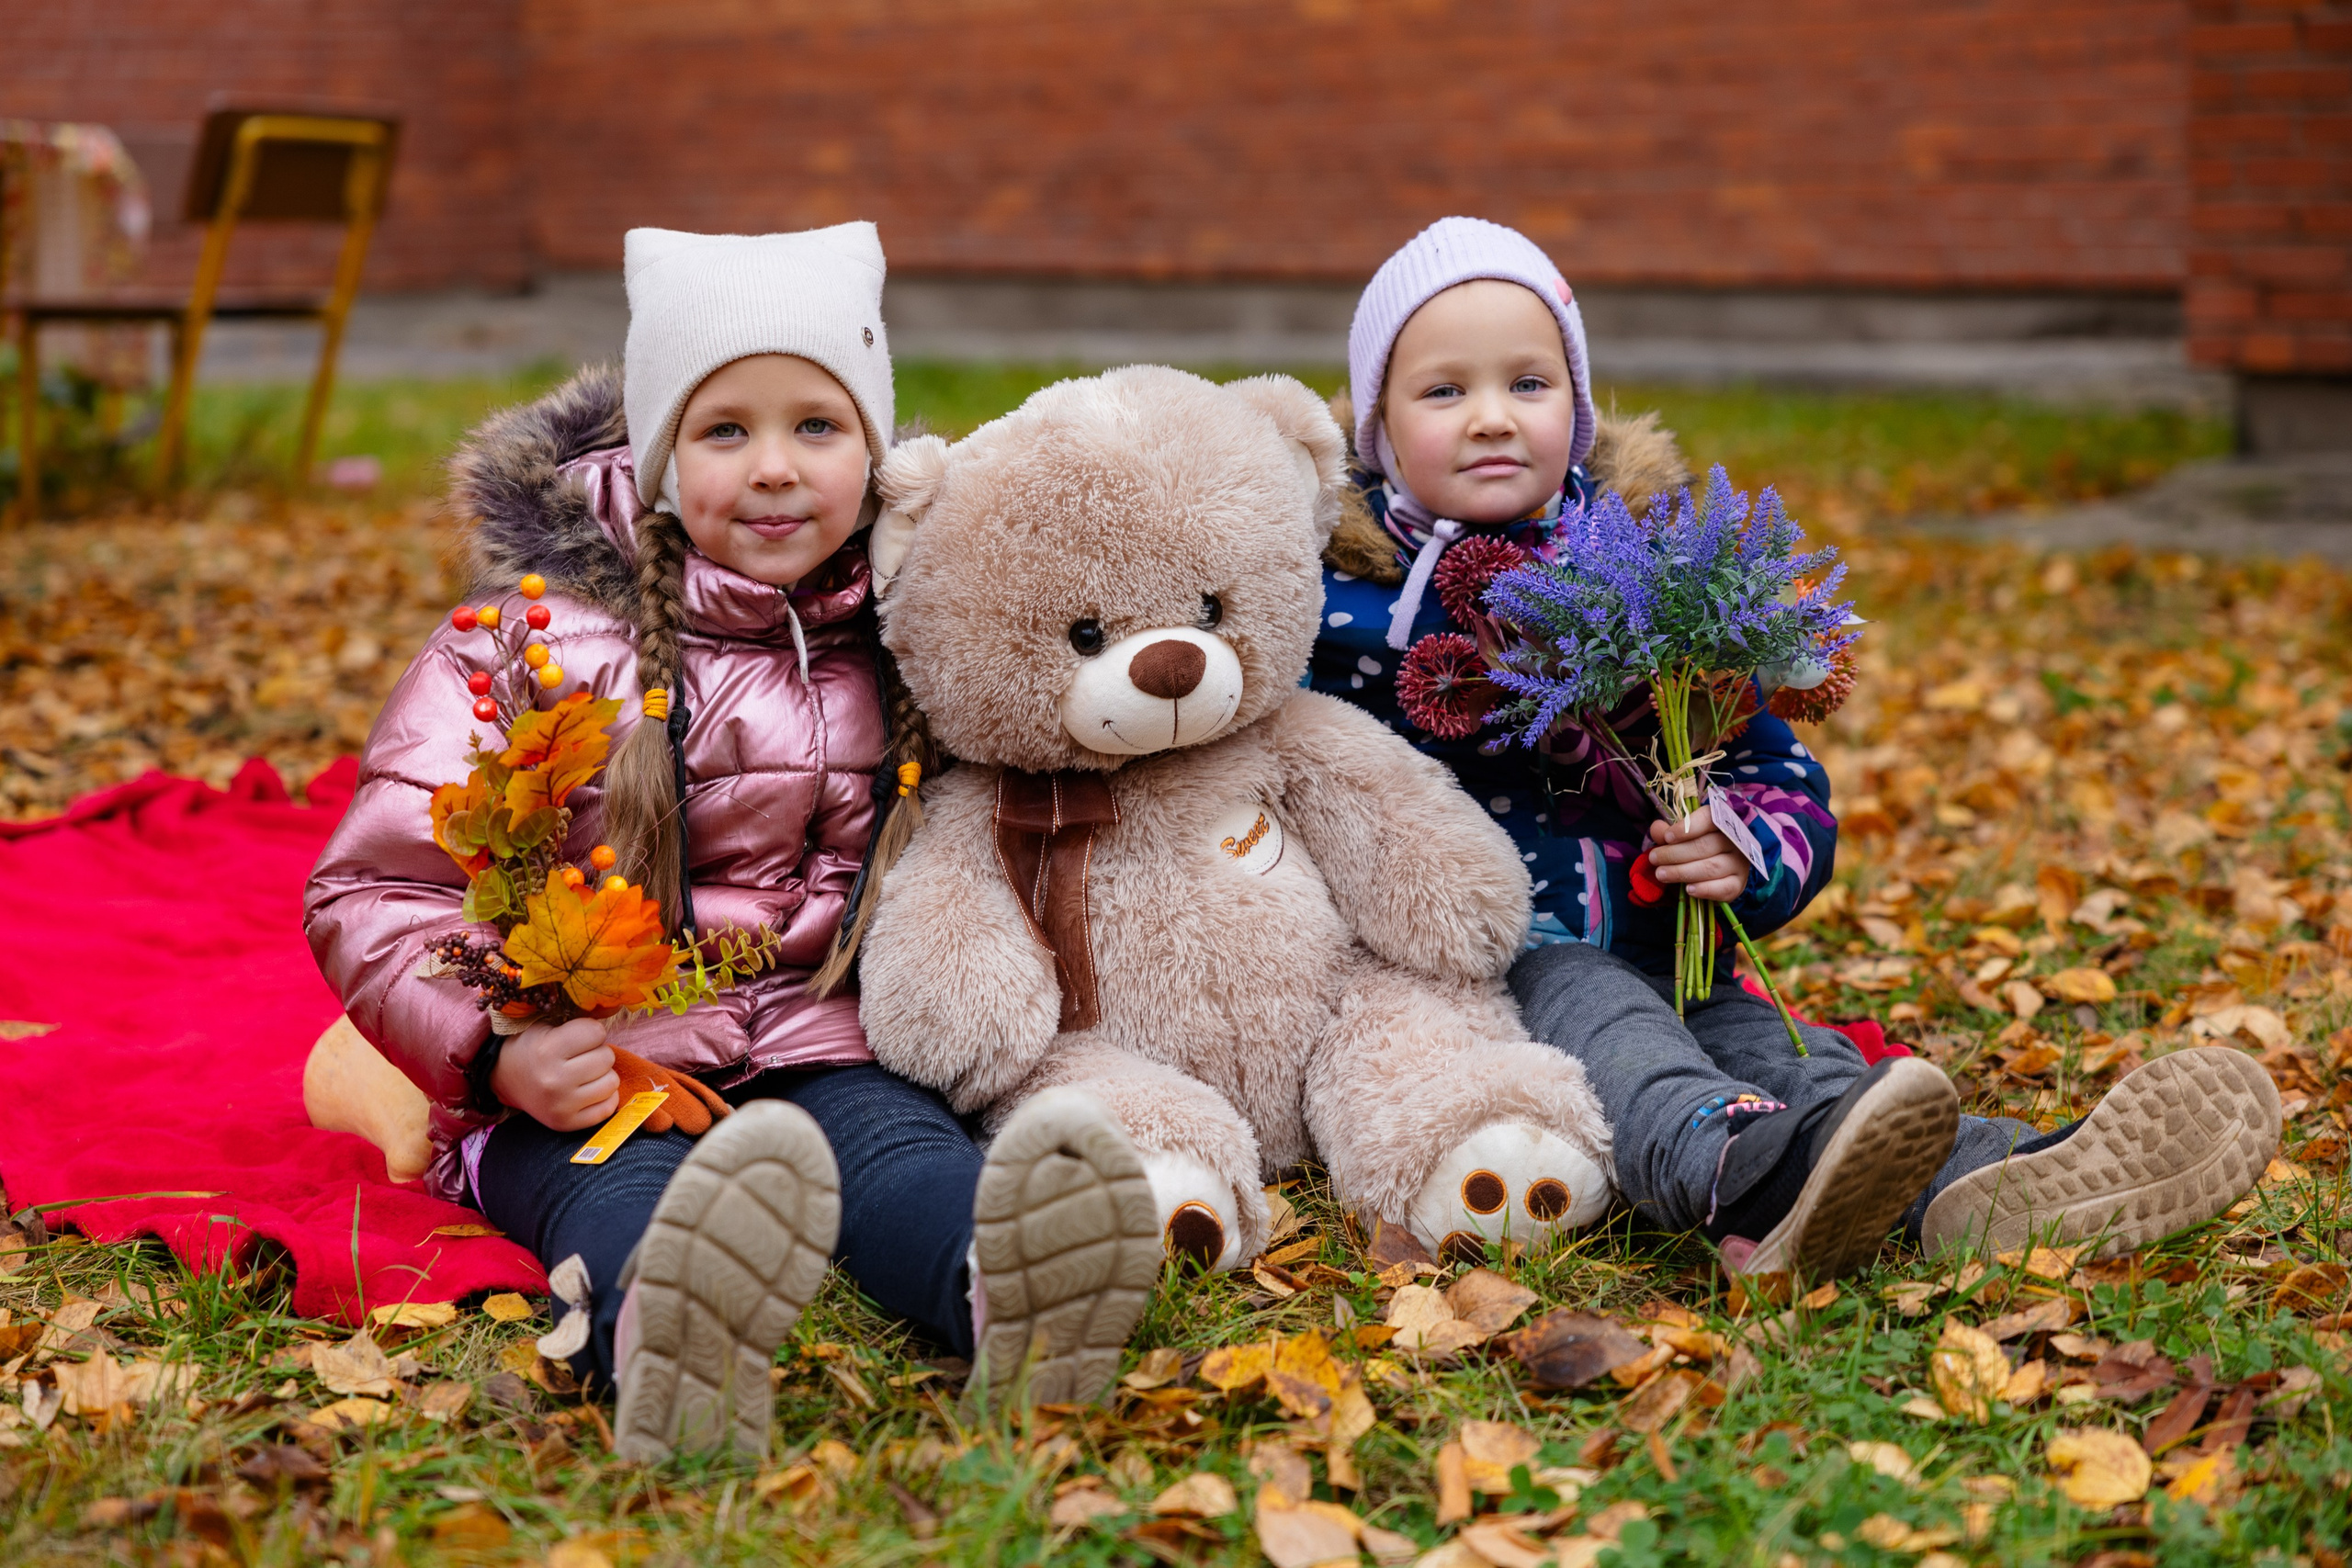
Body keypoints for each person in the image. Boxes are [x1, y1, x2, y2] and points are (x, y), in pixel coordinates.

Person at [305, 224, 1160, 1461]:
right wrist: (500, 1053)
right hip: (595, 1064)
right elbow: (377, 886)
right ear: (655, 457)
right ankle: (667, 1332)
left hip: (824, 1033)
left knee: (900, 1153)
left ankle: (1005, 1282)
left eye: (817, 426)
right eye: (724, 430)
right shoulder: (530, 645)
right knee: (622, 1194)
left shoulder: (910, 627)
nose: (774, 468)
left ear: (872, 446)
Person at [1308, 216, 2279, 1280]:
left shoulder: (1652, 579)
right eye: (1445, 392)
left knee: (1787, 1057)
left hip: (1683, 939)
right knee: (1627, 1053)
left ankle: (2012, 1177)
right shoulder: (1337, 614)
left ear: (1577, 415)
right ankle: (1747, 1176)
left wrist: (1742, 842)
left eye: (1528, 385)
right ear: (1382, 431)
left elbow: (1772, 768)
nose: (1492, 418)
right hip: (1510, 970)